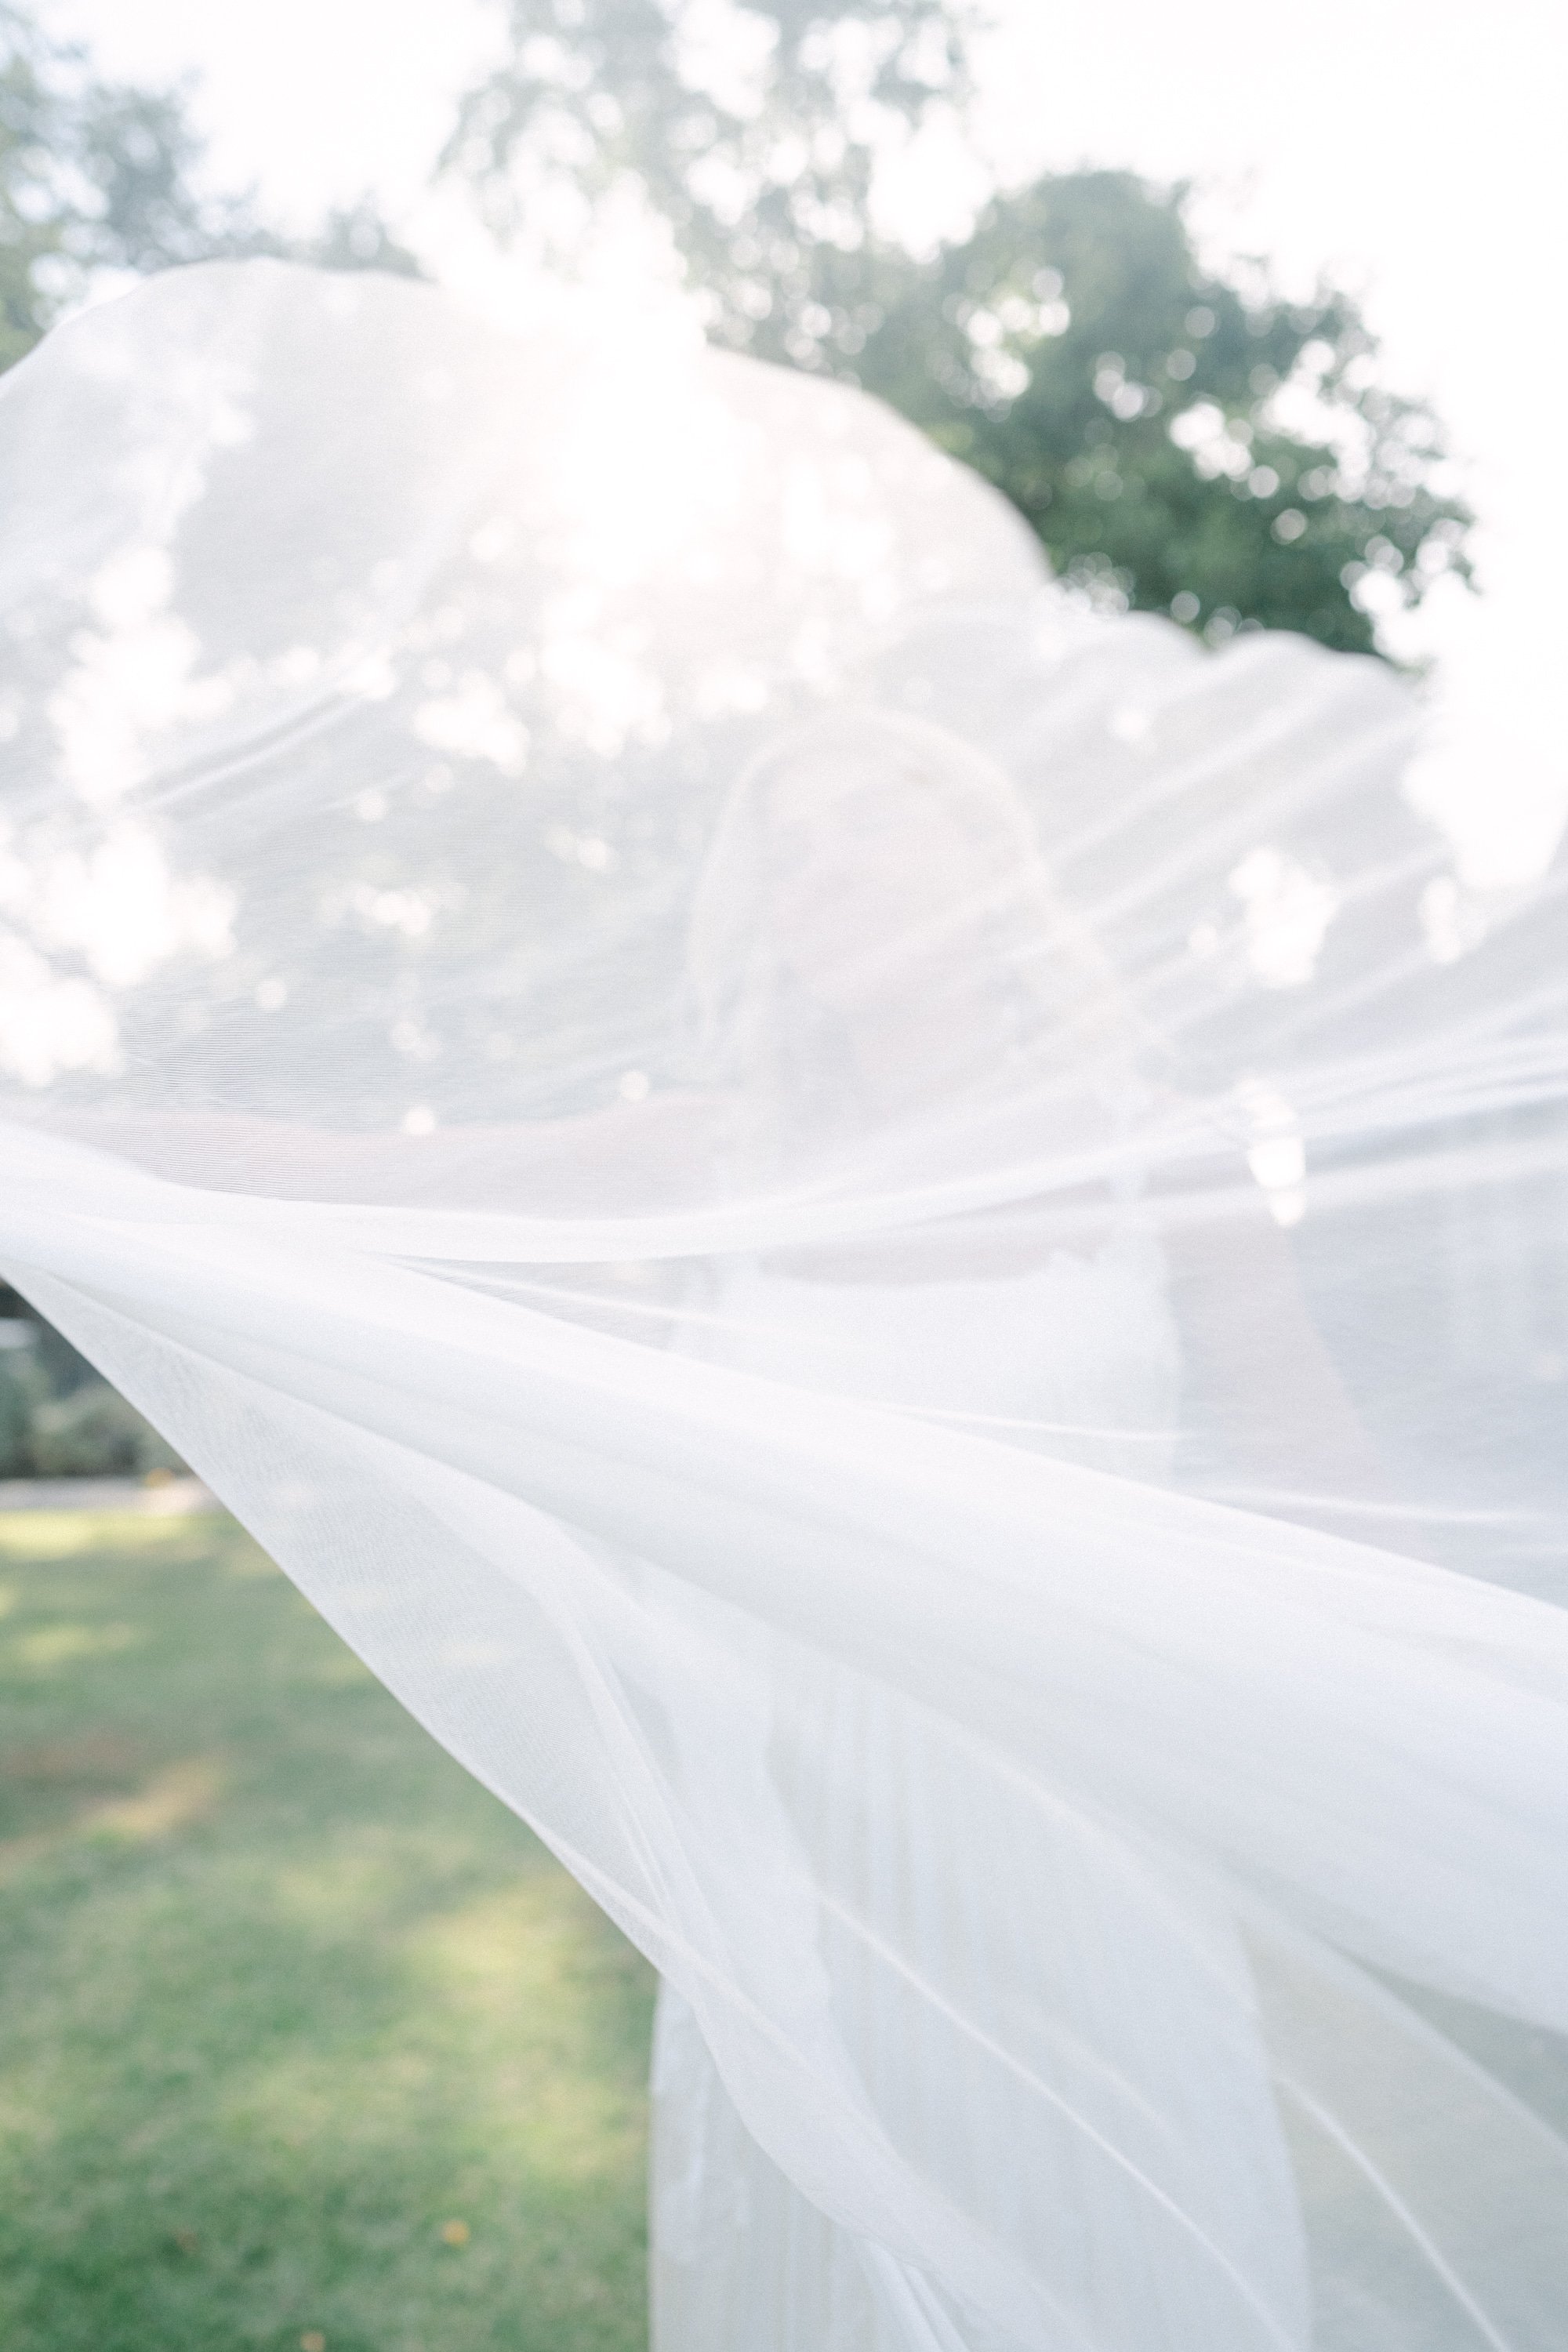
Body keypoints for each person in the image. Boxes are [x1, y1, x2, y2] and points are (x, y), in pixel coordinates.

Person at [2, 259, 1566, 2350]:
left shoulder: (1150, 1155)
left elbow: (1317, 1484)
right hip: (812, 1856)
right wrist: (64, 1148)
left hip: (1084, 1828)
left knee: (1136, 2256)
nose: (842, 880)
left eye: (883, 836)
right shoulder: (709, 1151)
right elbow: (342, 1189)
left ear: (986, 879)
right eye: (801, 856)